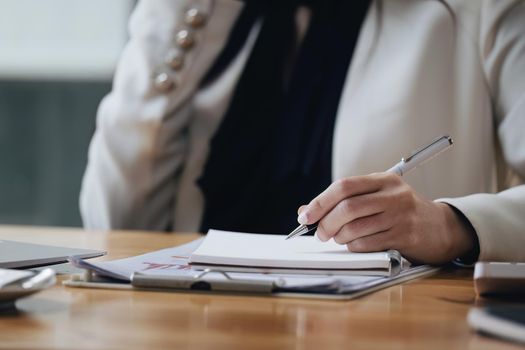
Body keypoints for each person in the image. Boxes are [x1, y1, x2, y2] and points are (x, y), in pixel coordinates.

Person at [80, 0, 525, 264]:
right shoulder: (207, 16)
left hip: (386, 331)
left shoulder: (482, 10)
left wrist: (450, 226)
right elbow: (115, 224)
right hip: (193, 326)